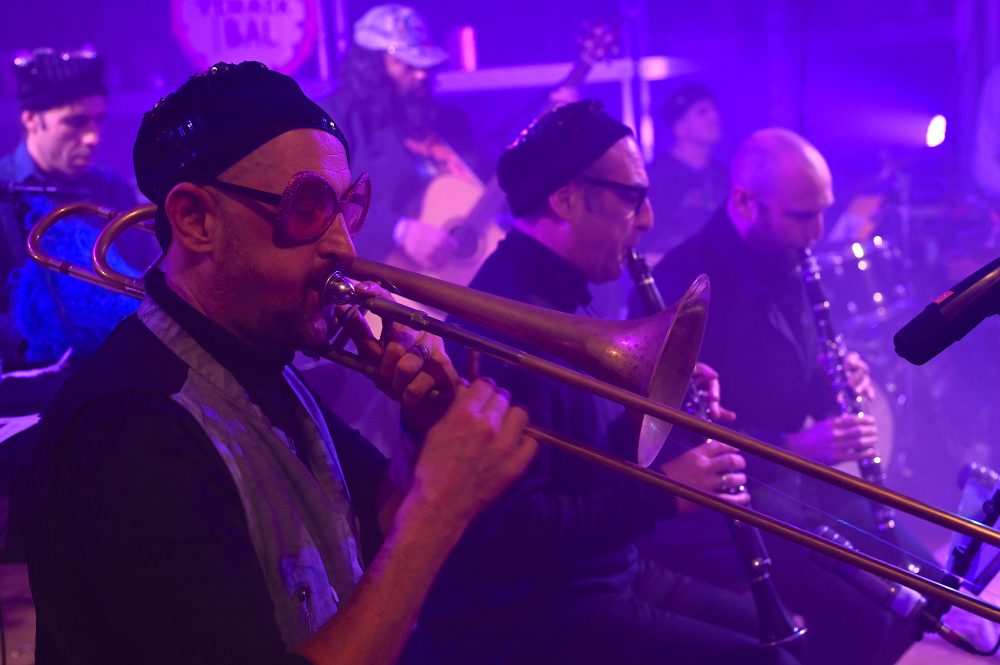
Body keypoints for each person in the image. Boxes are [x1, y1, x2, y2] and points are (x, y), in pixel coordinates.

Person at [25, 61, 537, 665]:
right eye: (308, 208)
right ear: (195, 220)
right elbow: (410, 537)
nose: (344, 246)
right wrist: (438, 510)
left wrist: (421, 432)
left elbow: (374, 532)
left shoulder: (263, 361)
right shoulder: (131, 431)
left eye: (347, 207)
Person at [399, 100, 799, 665]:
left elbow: (580, 464)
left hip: (606, 570)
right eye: (632, 197)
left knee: (790, 634)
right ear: (565, 200)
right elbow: (513, 531)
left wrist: (652, 405)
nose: (648, 219)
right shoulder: (509, 322)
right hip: (536, 609)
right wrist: (660, 494)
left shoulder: (569, 293)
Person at [641, 127, 928, 665]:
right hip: (736, 502)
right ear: (744, 203)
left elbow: (796, 378)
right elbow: (671, 438)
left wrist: (836, 381)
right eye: (802, 216)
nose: (817, 232)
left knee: (931, 586)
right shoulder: (683, 280)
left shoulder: (787, 259)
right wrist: (793, 445)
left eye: (822, 213)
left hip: (799, 482)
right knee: (868, 615)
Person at [0, 47, 148, 375]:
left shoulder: (112, 188)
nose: (93, 137)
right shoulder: (3, 190)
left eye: (98, 120)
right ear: (30, 119)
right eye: (75, 122)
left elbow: (142, 275)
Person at [321, 3, 485, 268]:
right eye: (408, 65)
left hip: (460, 271)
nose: (421, 74)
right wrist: (398, 231)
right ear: (372, 66)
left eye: (425, 65)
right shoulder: (336, 118)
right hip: (379, 276)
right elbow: (323, 204)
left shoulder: (447, 121)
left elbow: (487, 188)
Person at [638, 84, 728, 261]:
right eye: (702, 112)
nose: (714, 117)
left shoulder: (721, 174)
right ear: (679, 127)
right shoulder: (657, 177)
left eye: (714, 110)